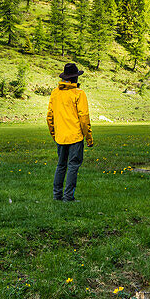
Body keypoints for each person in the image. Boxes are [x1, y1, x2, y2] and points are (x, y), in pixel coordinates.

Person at [46, 62, 93, 202]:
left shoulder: (55, 93)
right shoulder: (79, 94)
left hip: (60, 136)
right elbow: (84, 118)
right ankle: (68, 197)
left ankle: (57, 195)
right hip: (75, 136)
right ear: (75, 78)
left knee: (61, 165)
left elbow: (49, 117)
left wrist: (54, 134)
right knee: (73, 166)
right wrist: (89, 138)